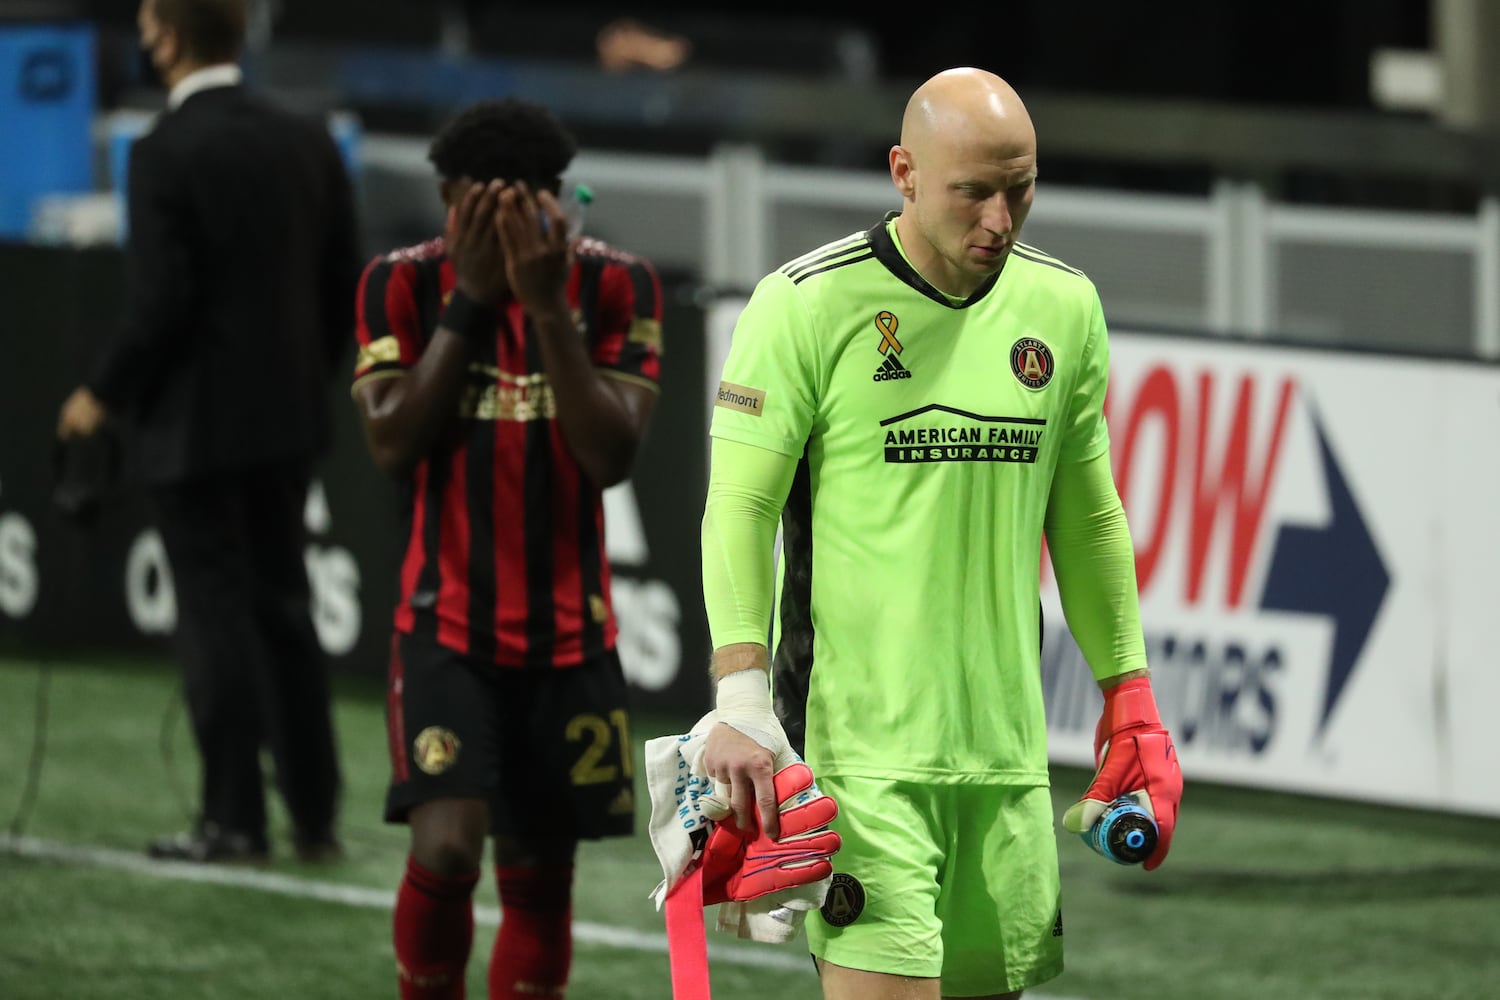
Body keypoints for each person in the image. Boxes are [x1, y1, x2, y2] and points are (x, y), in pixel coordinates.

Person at [697, 67, 1184, 999]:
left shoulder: (1066, 307)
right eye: (974, 192)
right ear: (904, 173)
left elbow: (1086, 514)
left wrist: (1131, 698)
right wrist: (742, 696)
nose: (1000, 220)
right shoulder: (805, 305)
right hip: (864, 763)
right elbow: (740, 505)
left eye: (1021, 188)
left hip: (1007, 761)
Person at [349, 97, 663, 999]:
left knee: (538, 869)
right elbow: (392, 445)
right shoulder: (398, 283)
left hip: (571, 636)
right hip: (444, 626)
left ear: (557, 203)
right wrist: (474, 302)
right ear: (446, 198)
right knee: (446, 847)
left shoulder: (617, 284)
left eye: (522, 207)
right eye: (473, 208)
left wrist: (546, 310)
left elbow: (608, 456)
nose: (492, 226)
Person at [55, 0, 358, 864]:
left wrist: (99, 395)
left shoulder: (161, 153)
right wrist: (306, 381)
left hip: (192, 430)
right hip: (289, 421)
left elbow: (160, 306)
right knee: (283, 608)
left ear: (167, 35)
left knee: (215, 617)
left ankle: (232, 817)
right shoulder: (306, 139)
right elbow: (344, 283)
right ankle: (313, 813)